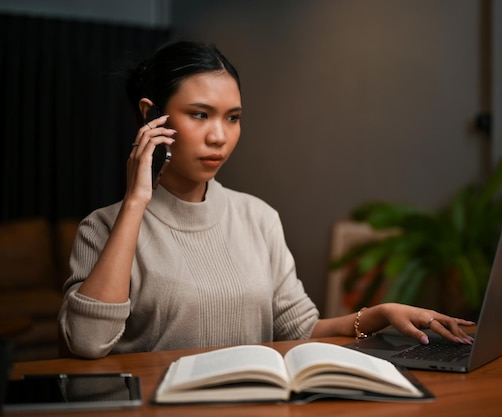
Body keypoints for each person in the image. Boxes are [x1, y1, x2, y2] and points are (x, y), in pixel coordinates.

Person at [58, 40, 474, 359]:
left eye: (232, 118)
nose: (219, 136)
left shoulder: (258, 217)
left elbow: (300, 330)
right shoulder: (103, 227)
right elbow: (86, 343)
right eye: (200, 114)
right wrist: (135, 204)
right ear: (151, 116)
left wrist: (380, 314)